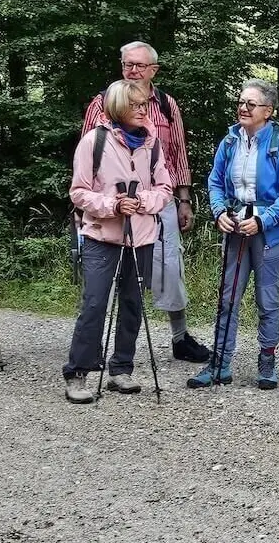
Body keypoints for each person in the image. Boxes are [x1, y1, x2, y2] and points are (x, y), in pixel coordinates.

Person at [81, 41, 209, 363]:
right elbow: (87, 162)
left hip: (158, 201)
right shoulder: (102, 103)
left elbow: (178, 152)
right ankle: (94, 347)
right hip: (112, 205)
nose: (133, 71)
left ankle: (180, 338)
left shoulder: (166, 105)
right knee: (107, 276)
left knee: (169, 268)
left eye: (139, 65)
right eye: (127, 65)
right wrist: (88, 206)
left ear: (154, 70)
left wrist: (184, 199)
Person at [64, 79, 173, 403]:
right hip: (102, 234)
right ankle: (77, 373)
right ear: (118, 107)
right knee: (95, 302)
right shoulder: (93, 142)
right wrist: (113, 205)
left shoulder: (152, 144)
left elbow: (164, 189)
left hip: (141, 236)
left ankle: (121, 369)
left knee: (132, 303)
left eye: (144, 105)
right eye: (135, 105)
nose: (143, 110)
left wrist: (143, 202)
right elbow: (79, 192)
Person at [190, 79, 279, 390]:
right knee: (228, 296)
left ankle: (267, 362)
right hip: (235, 225)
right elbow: (214, 182)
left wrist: (263, 220)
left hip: (269, 231)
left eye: (251, 104)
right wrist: (219, 212)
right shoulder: (230, 141)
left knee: (267, 298)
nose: (243, 108)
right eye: (241, 102)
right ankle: (220, 363)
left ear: (267, 110)